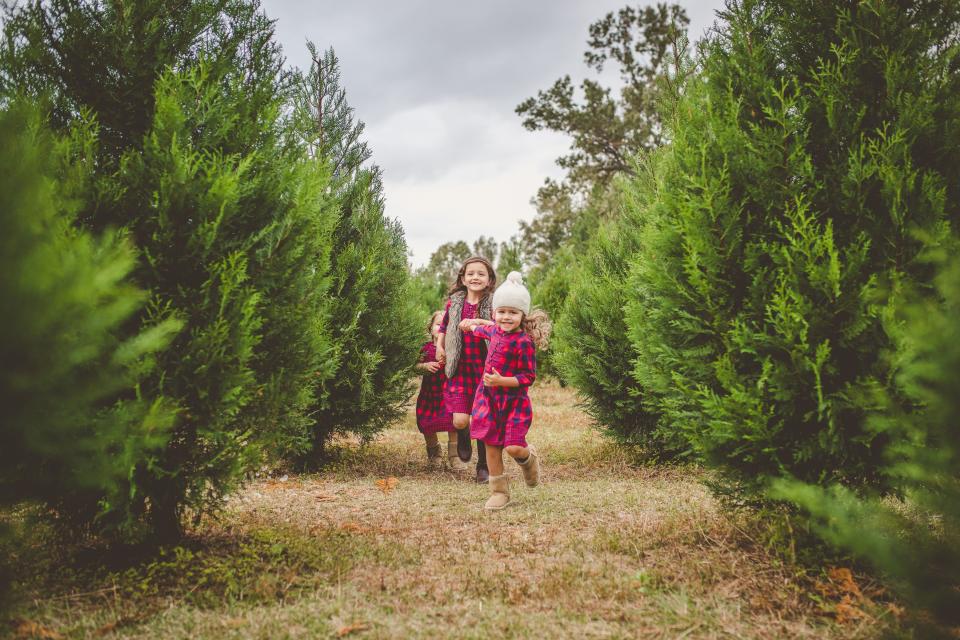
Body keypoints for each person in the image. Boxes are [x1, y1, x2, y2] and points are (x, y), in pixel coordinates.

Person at [458, 271, 551, 510]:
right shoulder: (494, 331)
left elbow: (528, 377)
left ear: (522, 315)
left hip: (513, 403)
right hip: (488, 400)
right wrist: (470, 325)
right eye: (502, 312)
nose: (506, 317)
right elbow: (482, 330)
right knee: (491, 445)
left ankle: (528, 459)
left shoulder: (523, 343)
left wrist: (502, 381)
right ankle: (499, 491)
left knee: (513, 447)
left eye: (513, 312)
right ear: (494, 313)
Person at [435, 256, 496, 481]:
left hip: (484, 370)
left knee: (482, 418)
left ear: (489, 279)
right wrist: (439, 346)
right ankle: (463, 434)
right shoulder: (455, 303)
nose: (475, 277)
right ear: (463, 278)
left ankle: (483, 466)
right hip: (459, 367)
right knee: (460, 419)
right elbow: (444, 326)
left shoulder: (492, 303)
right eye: (471, 273)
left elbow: (500, 328)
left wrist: (479, 323)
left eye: (481, 274)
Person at [414, 310, 456, 469]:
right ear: (430, 328)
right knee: (427, 423)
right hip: (429, 394)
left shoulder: (453, 348)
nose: (442, 328)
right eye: (439, 324)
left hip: (449, 393)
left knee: (453, 423)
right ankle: (435, 454)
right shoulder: (425, 348)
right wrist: (423, 366)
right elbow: (414, 366)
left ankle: (455, 454)